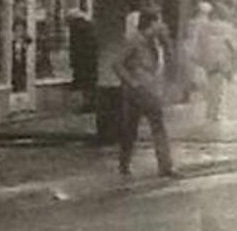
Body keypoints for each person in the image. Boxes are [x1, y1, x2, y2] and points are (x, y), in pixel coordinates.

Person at [113, 9, 175, 178]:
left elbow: (169, 59)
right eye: (158, 22)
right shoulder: (134, 40)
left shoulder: (154, 42)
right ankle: (162, 166)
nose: (161, 25)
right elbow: (117, 63)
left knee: (142, 127)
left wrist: (166, 40)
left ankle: (128, 164)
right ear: (151, 23)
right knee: (146, 126)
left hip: (149, 90)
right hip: (138, 90)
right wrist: (132, 82)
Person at [195, 3, 237, 123]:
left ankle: (210, 113)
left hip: (209, 62)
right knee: (219, 89)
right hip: (222, 61)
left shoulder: (204, 28)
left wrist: (200, 60)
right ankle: (215, 114)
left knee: (212, 87)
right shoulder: (227, 27)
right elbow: (233, 46)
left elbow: (199, 45)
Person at [68, 9, 98, 112]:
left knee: (83, 83)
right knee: (91, 82)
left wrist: (73, 61)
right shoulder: (91, 26)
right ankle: (91, 103)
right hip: (91, 59)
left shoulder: (75, 28)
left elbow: (75, 46)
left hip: (81, 60)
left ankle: (86, 104)